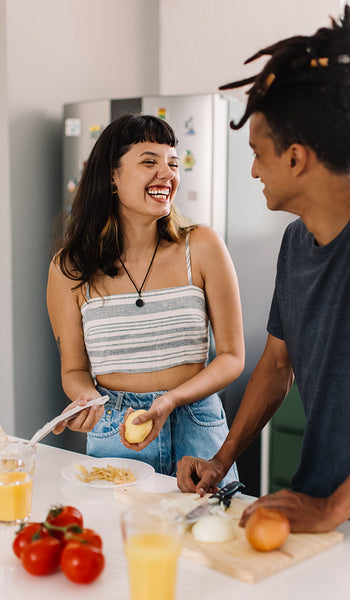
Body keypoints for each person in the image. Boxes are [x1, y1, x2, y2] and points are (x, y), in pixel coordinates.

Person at [177, 5, 350, 532]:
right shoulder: (296, 242)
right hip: (314, 505)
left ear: (296, 158)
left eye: (259, 153)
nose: (252, 169)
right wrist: (221, 460)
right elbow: (277, 365)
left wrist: (333, 509)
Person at [47, 114, 244, 484]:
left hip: (197, 426)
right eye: (149, 161)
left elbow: (233, 356)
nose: (167, 174)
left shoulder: (202, 247)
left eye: (172, 163)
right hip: (117, 433)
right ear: (112, 176)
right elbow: (74, 370)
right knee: (121, 538)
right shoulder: (69, 268)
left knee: (210, 538)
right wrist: (87, 398)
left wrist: (170, 400)